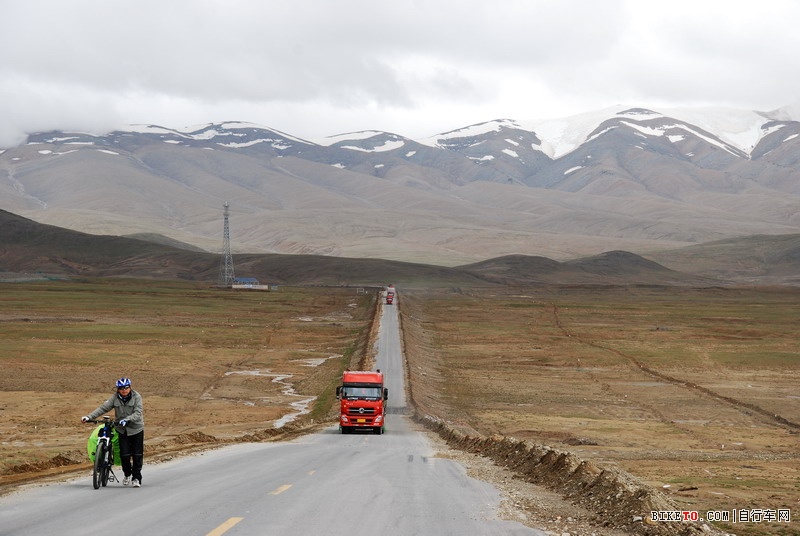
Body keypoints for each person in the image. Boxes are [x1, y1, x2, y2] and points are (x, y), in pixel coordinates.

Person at [81, 377, 145, 487]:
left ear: (130, 387)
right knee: (124, 455)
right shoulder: (115, 398)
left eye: (126, 388)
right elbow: (103, 408)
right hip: (122, 429)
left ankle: (136, 478)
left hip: (136, 429)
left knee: (137, 455)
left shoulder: (136, 397)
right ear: (118, 389)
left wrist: (128, 419)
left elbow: (138, 412)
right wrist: (89, 417)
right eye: (121, 388)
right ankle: (127, 474)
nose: (124, 390)